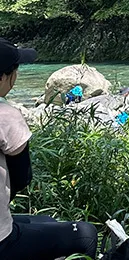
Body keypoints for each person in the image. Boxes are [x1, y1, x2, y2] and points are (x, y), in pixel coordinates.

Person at [0, 38, 99, 260]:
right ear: (4, 77)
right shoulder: (6, 116)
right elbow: (22, 178)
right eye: (15, 70)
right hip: (2, 241)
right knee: (86, 234)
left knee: (48, 222)